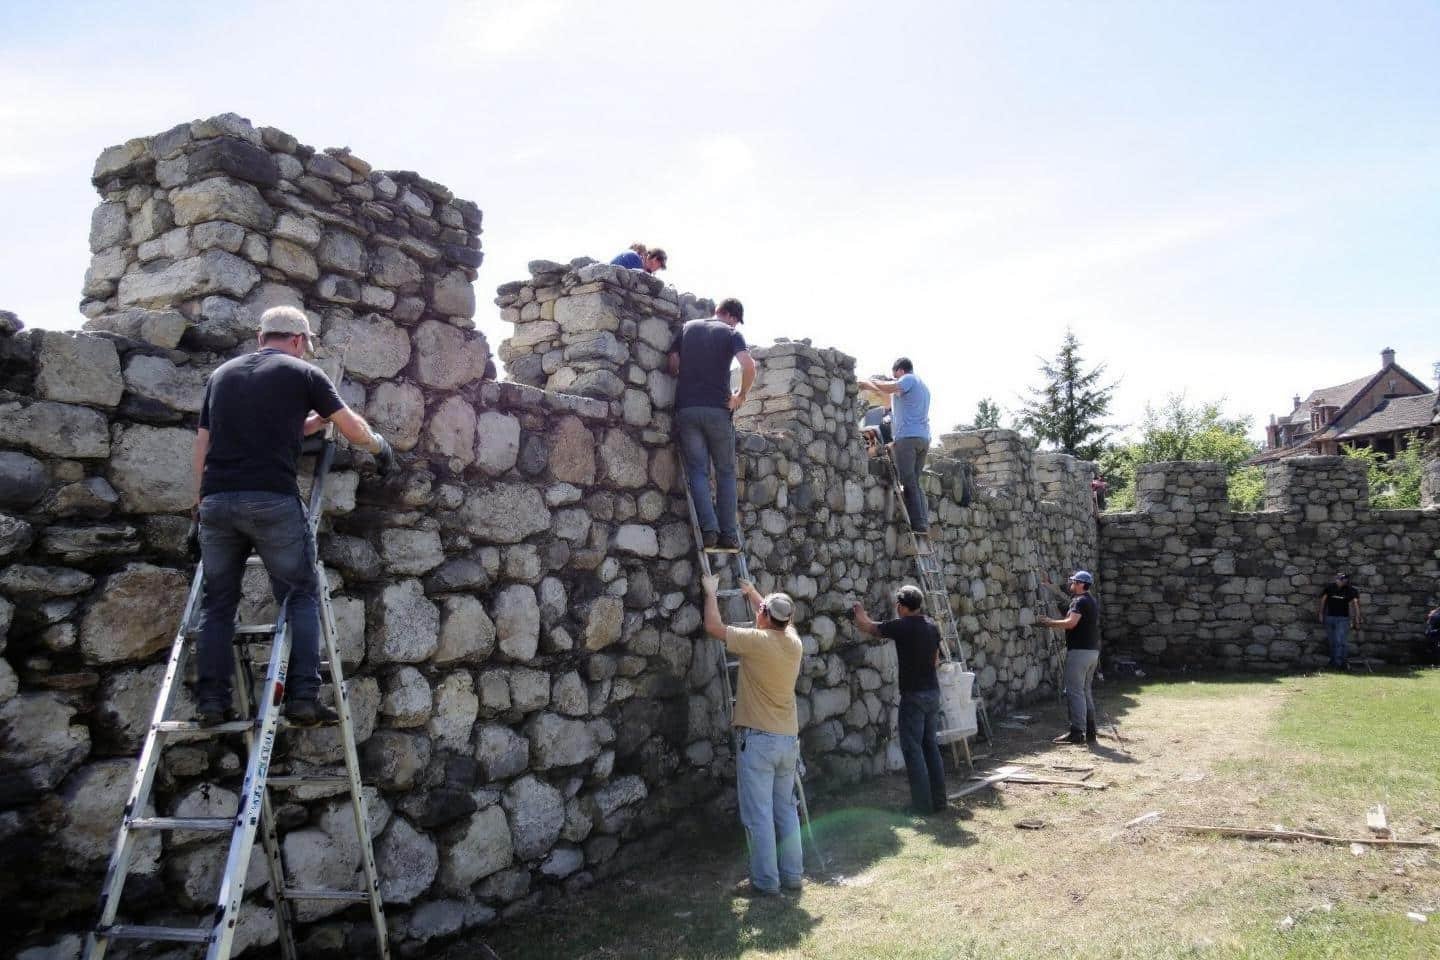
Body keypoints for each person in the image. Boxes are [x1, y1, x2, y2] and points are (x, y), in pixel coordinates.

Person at [192, 307, 397, 727]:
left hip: (216, 502)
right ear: (299, 340)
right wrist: (379, 446)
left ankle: (212, 702)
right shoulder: (304, 374)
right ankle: (303, 695)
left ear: (260, 336)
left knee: (218, 604)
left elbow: (204, 445)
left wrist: (199, 506)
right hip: (271, 499)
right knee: (299, 594)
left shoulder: (221, 376)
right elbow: (352, 429)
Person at [701, 573, 803, 897]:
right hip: (787, 740)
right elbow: (779, 617)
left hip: (759, 742)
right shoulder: (794, 642)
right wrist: (754, 593)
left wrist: (710, 592)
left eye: (761, 610)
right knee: (786, 810)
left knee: (760, 815)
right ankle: (793, 876)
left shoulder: (756, 642)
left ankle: (766, 882)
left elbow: (713, 627)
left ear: (765, 617)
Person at [668, 298, 756, 551]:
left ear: (716, 310)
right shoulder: (730, 332)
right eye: (736, 321)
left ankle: (709, 531)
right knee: (725, 472)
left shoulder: (687, 328)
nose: (735, 324)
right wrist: (741, 396)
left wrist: (683, 375)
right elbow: (749, 365)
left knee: (698, 471)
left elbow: (673, 361)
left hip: (687, 408)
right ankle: (728, 535)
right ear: (731, 317)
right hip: (717, 410)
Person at [852, 586, 947, 815]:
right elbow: (935, 661)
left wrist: (858, 610)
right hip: (933, 692)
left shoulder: (902, 626)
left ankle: (921, 806)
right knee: (930, 746)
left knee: (912, 749)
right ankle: (939, 800)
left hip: (913, 696)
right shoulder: (932, 626)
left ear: (901, 606)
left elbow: (868, 627)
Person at [858, 358, 932, 533]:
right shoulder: (923, 387)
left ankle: (919, 523)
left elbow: (890, 387)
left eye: (895, 375)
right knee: (915, 482)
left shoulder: (909, 379)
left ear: (900, 370)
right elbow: (893, 398)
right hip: (922, 438)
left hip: (908, 439)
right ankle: (923, 520)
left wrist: (869, 383)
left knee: (908, 481)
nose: (895, 378)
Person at [1038, 571, 1101, 745]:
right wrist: (1050, 586)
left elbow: (1071, 623)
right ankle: (1090, 731)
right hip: (1092, 652)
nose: (1070, 584)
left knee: (1074, 691)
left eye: (1073, 582)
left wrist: (1049, 623)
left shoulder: (1079, 602)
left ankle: (1077, 732)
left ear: (1080, 584)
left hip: (1079, 652)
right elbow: (1065, 600)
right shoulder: (1090, 600)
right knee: (1085, 690)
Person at [1317, 572, 1361, 669]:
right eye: (1340, 579)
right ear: (1336, 579)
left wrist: (1357, 619)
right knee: (1332, 642)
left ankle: (1340, 663)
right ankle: (1334, 662)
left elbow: (1356, 604)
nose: (1343, 581)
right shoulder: (1329, 588)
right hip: (1329, 617)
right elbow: (1323, 600)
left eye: (1344, 579)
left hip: (1343, 619)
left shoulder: (1351, 590)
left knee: (1340, 641)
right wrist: (1320, 614)